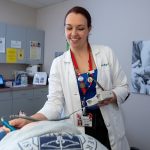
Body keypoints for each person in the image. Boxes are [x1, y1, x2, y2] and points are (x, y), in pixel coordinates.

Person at [1, 6, 130, 150]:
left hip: (109, 127)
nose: (73, 33)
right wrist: (29, 120)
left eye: (80, 28)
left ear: (89, 29)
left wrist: (112, 95)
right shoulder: (58, 63)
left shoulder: (106, 53)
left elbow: (124, 88)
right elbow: (54, 105)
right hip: (79, 130)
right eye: (69, 28)